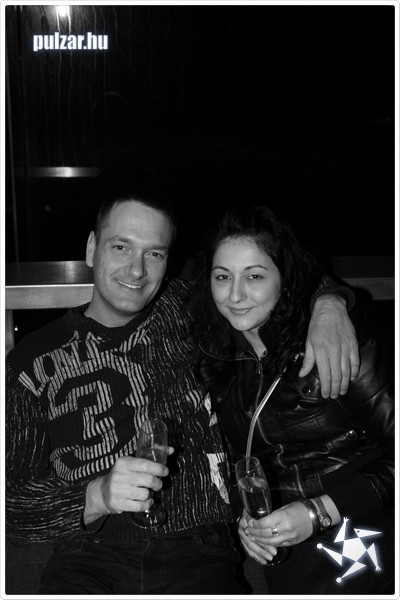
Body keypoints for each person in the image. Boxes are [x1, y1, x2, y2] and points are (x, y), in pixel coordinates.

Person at [6, 191, 359, 595]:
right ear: (91, 248)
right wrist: (97, 495)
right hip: (89, 557)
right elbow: (13, 505)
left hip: (200, 553)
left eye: (154, 253)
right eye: (121, 247)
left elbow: (278, 275)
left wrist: (329, 303)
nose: (136, 269)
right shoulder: (32, 360)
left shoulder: (187, 309)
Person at [190, 204, 394, 595]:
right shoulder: (217, 356)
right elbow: (234, 459)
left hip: (363, 515)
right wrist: (245, 515)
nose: (235, 294)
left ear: (284, 278)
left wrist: (320, 511)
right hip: (286, 536)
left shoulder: (335, 340)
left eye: (254, 276)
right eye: (222, 276)